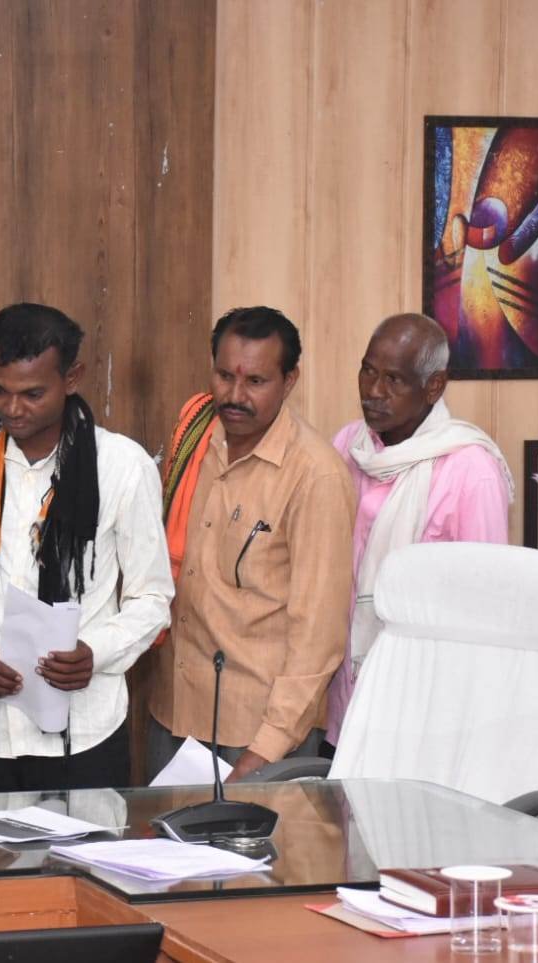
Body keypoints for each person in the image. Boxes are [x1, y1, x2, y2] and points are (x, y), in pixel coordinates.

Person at [0, 303, 171, 793]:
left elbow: (152, 599)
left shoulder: (122, 466)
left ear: (72, 377)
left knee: (85, 848)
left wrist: (96, 652)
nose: (12, 408)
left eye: (32, 394)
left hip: (84, 733)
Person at [148, 306, 355, 782]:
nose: (234, 396)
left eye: (256, 381)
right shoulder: (195, 437)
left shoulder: (315, 476)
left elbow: (318, 637)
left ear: (289, 380)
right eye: (224, 376)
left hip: (256, 732)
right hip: (174, 711)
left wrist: (265, 751)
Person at [324, 312, 513, 747]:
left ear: (433, 386)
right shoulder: (349, 446)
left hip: (425, 703)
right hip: (343, 698)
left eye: (394, 379)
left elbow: (485, 606)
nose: (373, 391)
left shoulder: (471, 470)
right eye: (368, 371)